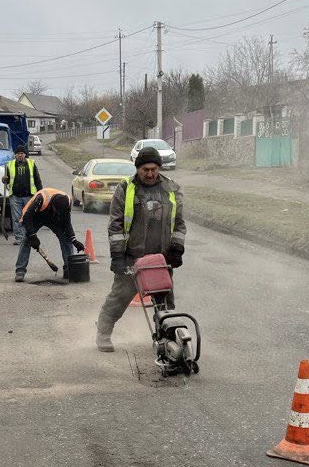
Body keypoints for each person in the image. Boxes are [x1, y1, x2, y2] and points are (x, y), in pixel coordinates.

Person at [96, 147, 186, 352]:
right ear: (137, 168)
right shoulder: (125, 189)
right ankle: (103, 333)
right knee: (118, 299)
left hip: (160, 259)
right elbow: (116, 226)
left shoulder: (171, 189)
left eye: (154, 169)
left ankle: (165, 341)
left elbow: (179, 223)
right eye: (145, 169)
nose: (150, 173)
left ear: (159, 168)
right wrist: (117, 256)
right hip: (132, 258)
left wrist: (177, 248)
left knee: (165, 304)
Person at [15, 187, 84, 283]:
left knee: (66, 239)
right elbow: (27, 217)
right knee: (26, 240)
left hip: (53, 219)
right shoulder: (41, 199)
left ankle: (69, 269)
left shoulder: (66, 202)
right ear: (53, 205)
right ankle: (20, 271)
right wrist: (33, 236)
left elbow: (67, 223)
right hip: (37, 216)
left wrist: (74, 240)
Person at [1, 144, 43, 244]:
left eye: (22, 153)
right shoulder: (9, 165)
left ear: (25, 154)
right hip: (15, 196)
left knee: (28, 217)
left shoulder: (31, 164)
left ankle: (27, 236)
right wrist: (4, 180)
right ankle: (19, 238)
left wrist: (41, 192)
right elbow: (6, 180)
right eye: (18, 153)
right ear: (15, 155)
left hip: (28, 196)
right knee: (16, 218)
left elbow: (37, 179)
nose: (20, 155)